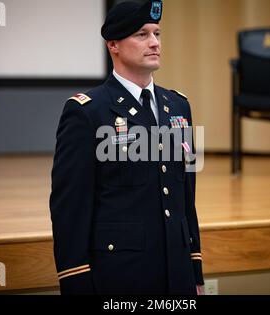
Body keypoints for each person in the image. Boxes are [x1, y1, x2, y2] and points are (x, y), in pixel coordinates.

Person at [50, 0, 204, 295]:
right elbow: (70, 208)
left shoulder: (178, 106)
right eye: (142, 35)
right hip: (122, 277)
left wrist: (194, 270)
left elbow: (186, 198)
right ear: (113, 45)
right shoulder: (87, 113)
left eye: (157, 33)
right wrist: (76, 284)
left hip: (178, 275)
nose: (155, 43)